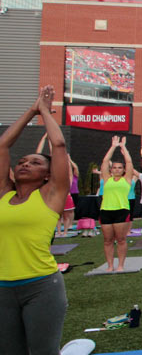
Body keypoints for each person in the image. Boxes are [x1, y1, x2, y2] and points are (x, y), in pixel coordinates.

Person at [0, 86, 70, 353]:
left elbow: (59, 145)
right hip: (2, 288)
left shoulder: (51, 195)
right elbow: (3, 145)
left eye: (35, 163)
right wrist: (31, 109)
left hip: (41, 286)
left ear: (47, 175)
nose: (25, 164)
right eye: (23, 161)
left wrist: (45, 111)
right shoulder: (3, 195)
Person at [99, 135, 135, 272]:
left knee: (121, 239)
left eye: (120, 168)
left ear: (123, 170)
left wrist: (123, 147)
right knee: (107, 240)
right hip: (106, 211)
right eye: (114, 168)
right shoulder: (107, 179)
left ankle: (120, 265)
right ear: (111, 169)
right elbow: (104, 161)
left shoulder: (126, 180)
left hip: (122, 210)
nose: (117, 169)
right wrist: (113, 146)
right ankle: (109, 265)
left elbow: (129, 162)